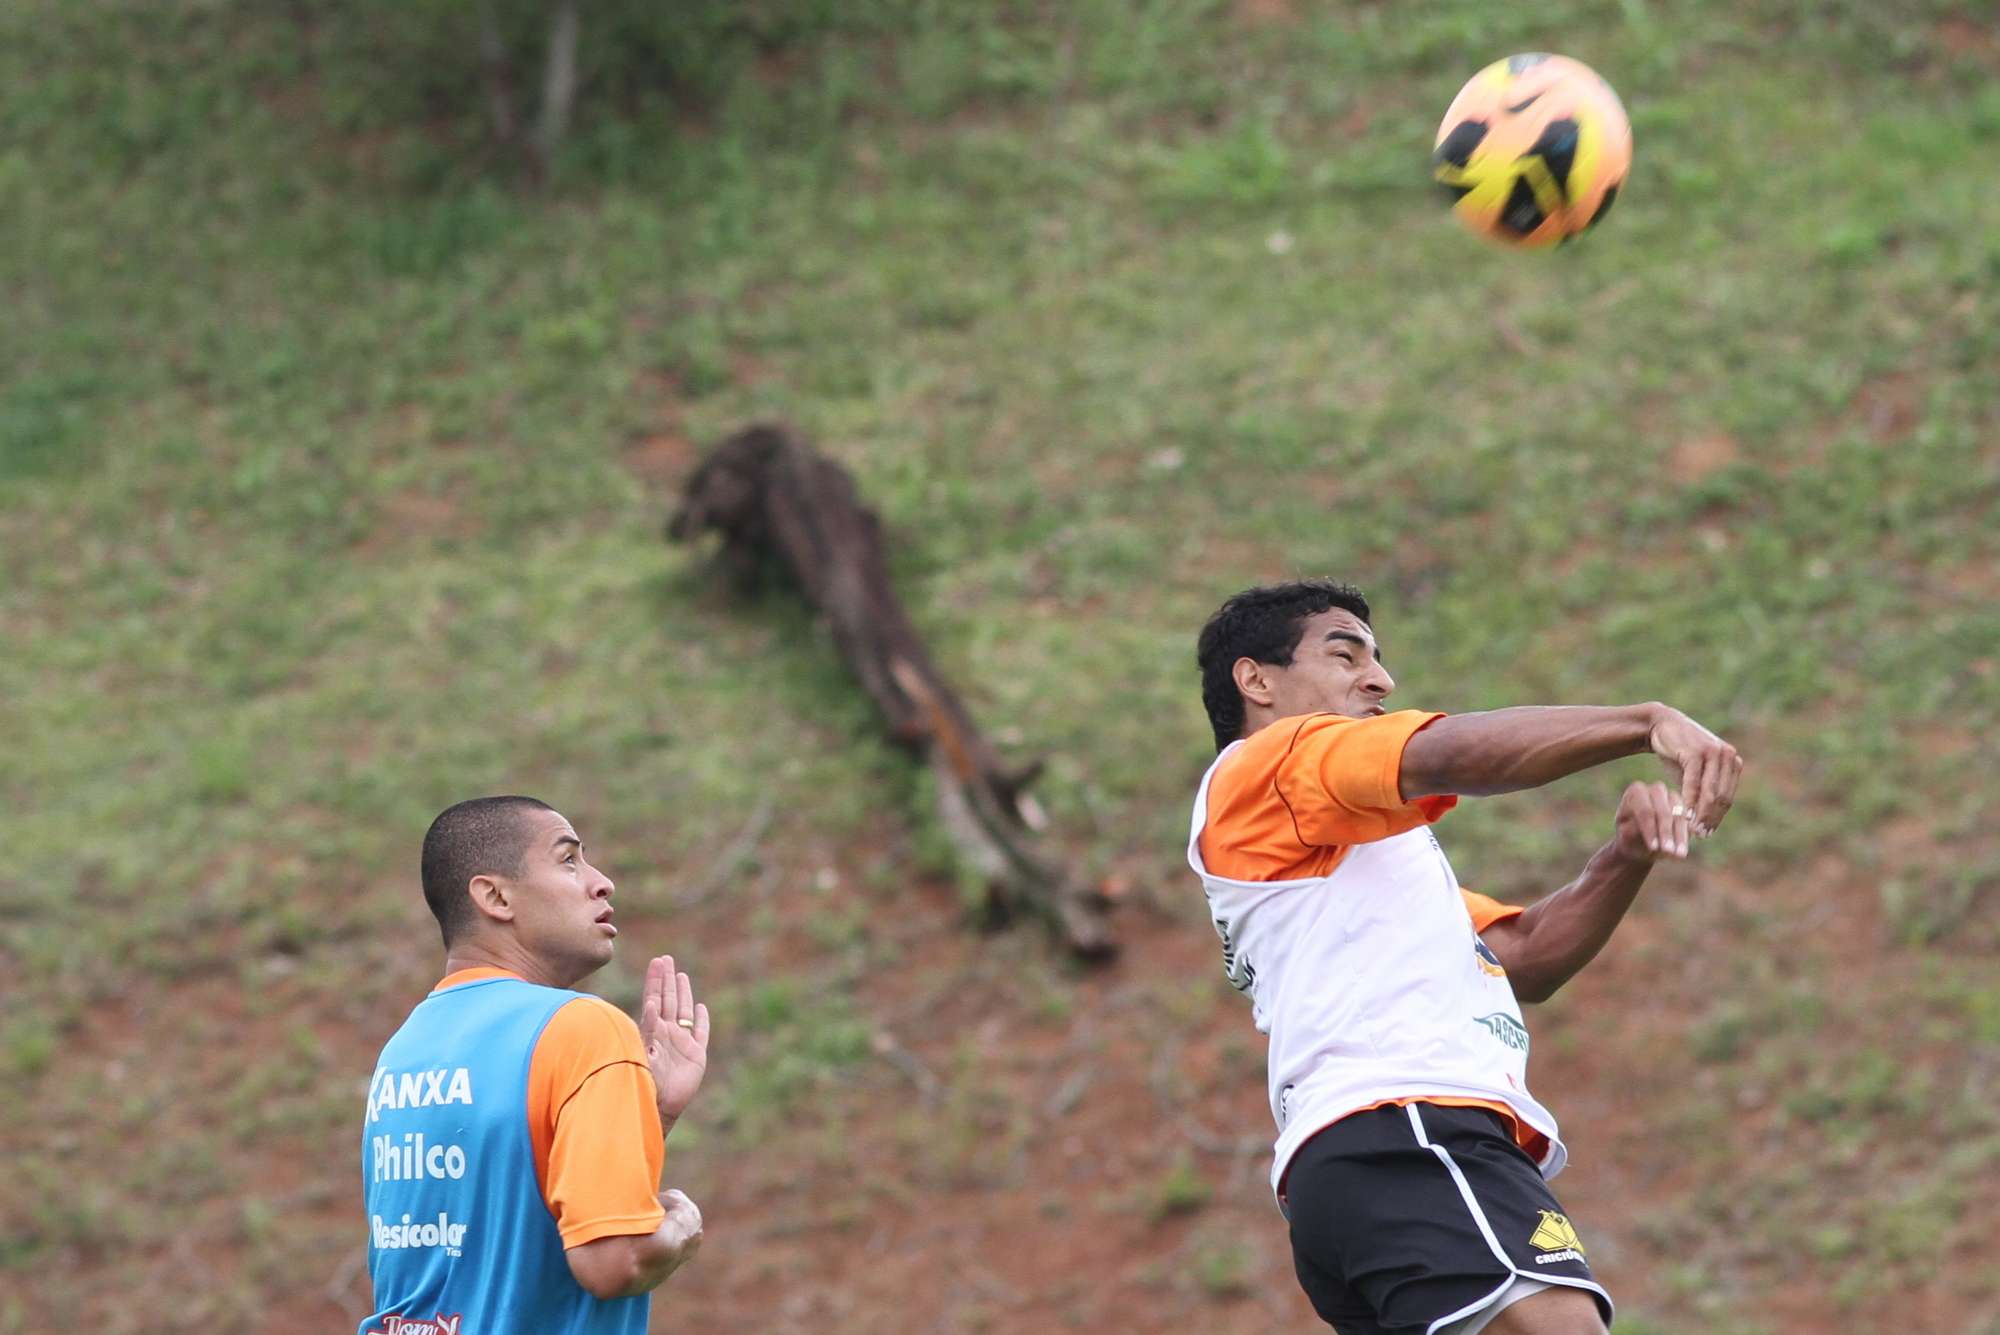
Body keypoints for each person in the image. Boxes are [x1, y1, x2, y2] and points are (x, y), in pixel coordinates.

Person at [1189, 581, 1743, 1335]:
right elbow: (1451, 753)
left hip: (1374, 1154)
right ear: (1256, 680)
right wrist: (1647, 722)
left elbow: (1525, 956)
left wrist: (1626, 854)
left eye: (1378, 659)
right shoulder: (1273, 761)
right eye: (1344, 653)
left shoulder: (1346, 847)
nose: (1380, 678)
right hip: (1407, 1126)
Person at [358, 796, 712, 1335]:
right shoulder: (581, 1027)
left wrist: (645, 1116)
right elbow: (614, 1261)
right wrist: (682, 1225)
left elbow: (503, 1226)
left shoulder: (406, 1048)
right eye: (569, 859)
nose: (602, 882)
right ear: (495, 896)